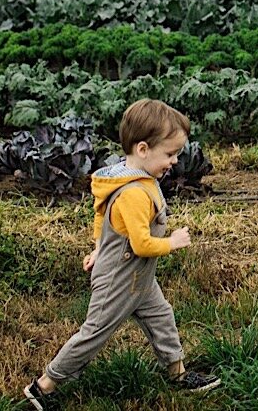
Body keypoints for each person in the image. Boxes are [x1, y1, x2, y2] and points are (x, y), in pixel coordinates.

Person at [23, 99, 219, 408]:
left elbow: (101, 215)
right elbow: (141, 244)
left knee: (162, 317)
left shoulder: (134, 176)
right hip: (119, 278)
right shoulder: (133, 193)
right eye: (169, 154)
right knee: (94, 333)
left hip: (139, 276)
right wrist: (173, 242)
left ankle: (178, 374)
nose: (175, 161)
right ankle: (43, 386)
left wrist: (99, 247)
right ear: (143, 149)